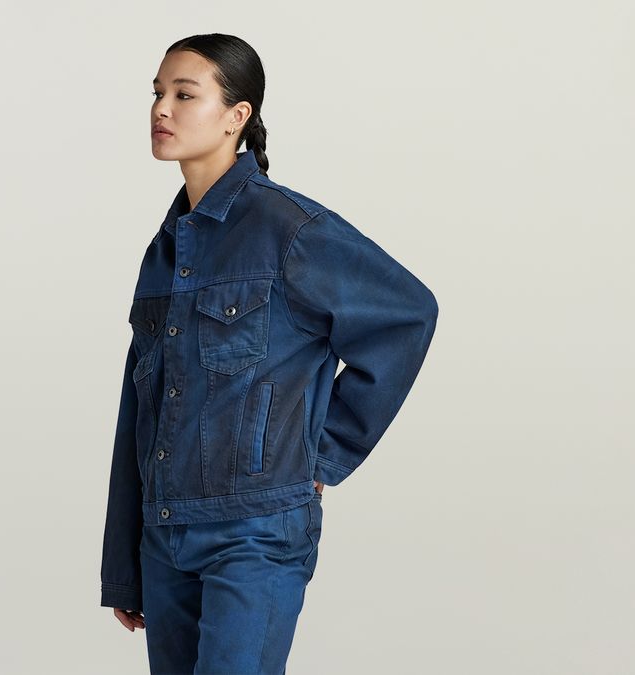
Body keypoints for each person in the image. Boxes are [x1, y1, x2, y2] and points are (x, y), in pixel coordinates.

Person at [99, 33, 440, 673]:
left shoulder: (290, 231)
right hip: (164, 536)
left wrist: (325, 451)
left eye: (184, 94)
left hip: (254, 534)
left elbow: (407, 314)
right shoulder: (166, 248)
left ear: (238, 115)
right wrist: (124, 561)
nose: (161, 109)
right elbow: (138, 409)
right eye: (157, 93)